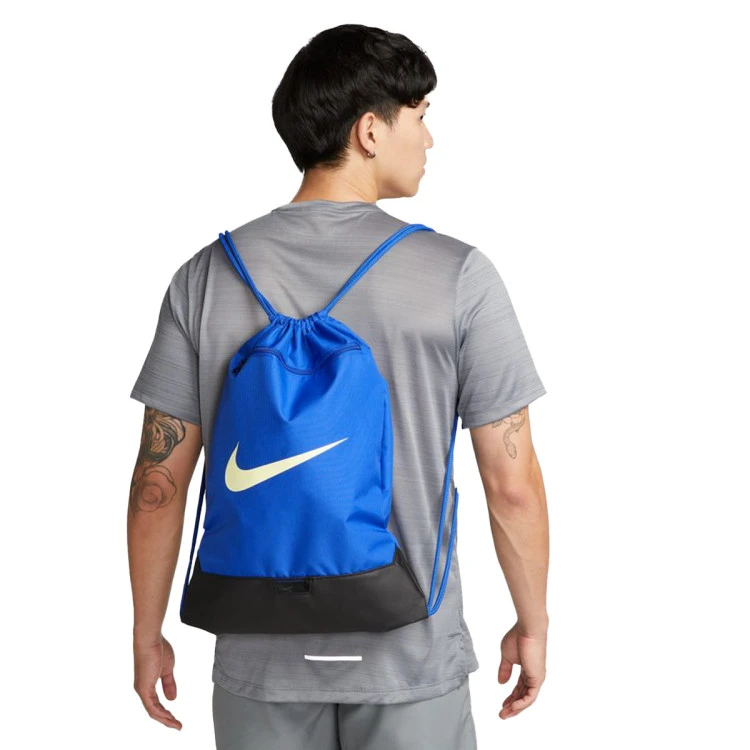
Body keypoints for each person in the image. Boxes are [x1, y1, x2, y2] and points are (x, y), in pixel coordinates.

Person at [127, 23, 549, 750]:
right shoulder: (458, 276)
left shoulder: (204, 277)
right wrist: (533, 623)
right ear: (370, 131)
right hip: (410, 656)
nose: (430, 139)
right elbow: (510, 484)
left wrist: (146, 633)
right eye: (420, 115)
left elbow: (157, 485)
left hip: (258, 659)